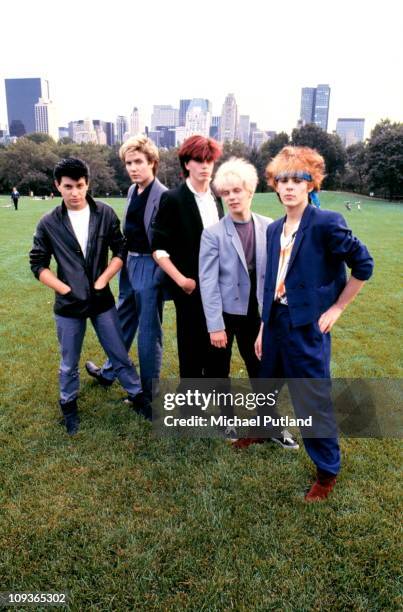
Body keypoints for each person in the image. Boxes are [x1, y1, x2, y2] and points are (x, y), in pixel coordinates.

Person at [254, 146, 374, 501]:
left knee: (311, 400)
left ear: (311, 184)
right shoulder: (275, 228)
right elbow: (270, 279)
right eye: (283, 180)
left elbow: (363, 266)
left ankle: (327, 472)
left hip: (306, 326)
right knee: (266, 381)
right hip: (275, 320)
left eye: (298, 179)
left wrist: (337, 308)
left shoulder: (326, 222)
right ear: (275, 185)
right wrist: (263, 324)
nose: (289, 186)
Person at [29, 158, 145, 435]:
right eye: (68, 186)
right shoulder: (48, 223)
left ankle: (139, 397)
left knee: (119, 352)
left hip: (102, 300)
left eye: (80, 186)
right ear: (57, 186)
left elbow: (120, 250)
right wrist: (64, 288)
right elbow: (38, 264)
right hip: (68, 305)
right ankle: (68, 405)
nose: (75, 193)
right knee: (69, 362)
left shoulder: (104, 213)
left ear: (87, 184)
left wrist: (103, 280)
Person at [199, 157, 298, 448]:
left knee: (261, 369)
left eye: (236, 191)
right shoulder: (213, 233)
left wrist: (268, 319)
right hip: (225, 315)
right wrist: (215, 325)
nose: (231, 197)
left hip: (257, 313)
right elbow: (208, 282)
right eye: (225, 193)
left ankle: (270, 424)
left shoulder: (270, 227)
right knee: (218, 369)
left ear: (250, 191)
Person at [85, 135, 167, 412]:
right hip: (130, 264)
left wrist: (159, 274)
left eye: (138, 162)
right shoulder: (133, 191)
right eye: (128, 163)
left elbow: (168, 241)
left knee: (148, 332)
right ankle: (110, 372)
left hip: (150, 266)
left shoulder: (163, 196)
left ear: (152, 163)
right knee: (122, 321)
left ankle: (148, 393)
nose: (133, 168)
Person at [152, 135, 224, 378]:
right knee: (192, 353)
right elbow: (159, 249)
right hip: (190, 289)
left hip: (219, 287)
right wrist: (182, 280)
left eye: (209, 160)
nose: (204, 166)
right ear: (186, 164)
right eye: (198, 160)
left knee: (217, 349)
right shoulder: (173, 199)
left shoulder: (218, 198)